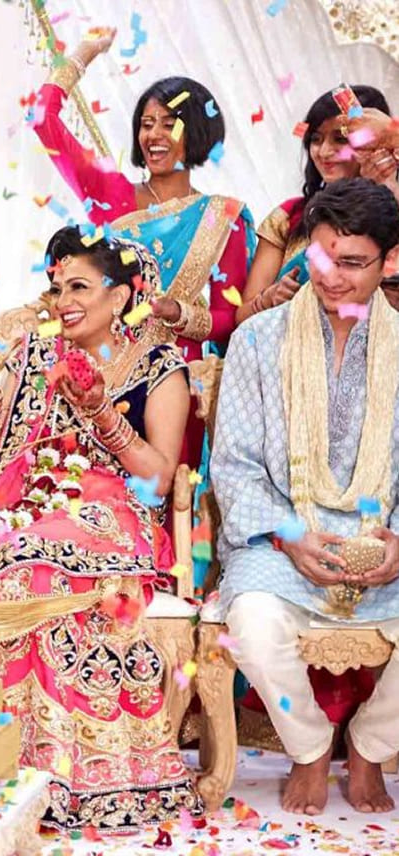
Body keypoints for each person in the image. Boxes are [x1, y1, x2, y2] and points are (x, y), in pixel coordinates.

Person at [0, 226, 200, 831]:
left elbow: (158, 477)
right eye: (58, 288)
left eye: (79, 288)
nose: (63, 301)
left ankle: (62, 765)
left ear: (120, 297)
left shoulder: (159, 366)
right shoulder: (36, 356)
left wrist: (100, 411)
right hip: (28, 502)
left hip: (116, 511)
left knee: (36, 571)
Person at [213, 178, 399, 816]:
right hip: (281, 540)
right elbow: (234, 464)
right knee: (254, 625)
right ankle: (311, 747)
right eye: (321, 257)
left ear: (389, 261)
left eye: (353, 263)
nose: (332, 277)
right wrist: (291, 537)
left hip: (383, 546)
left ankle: (370, 748)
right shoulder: (257, 340)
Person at [33, 28, 255, 467]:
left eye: (169, 124)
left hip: (171, 380)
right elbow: (43, 118)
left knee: (161, 492)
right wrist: (85, 52)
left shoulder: (222, 217)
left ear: (198, 132)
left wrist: (179, 313)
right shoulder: (111, 193)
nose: (154, 135)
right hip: (96, 369)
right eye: (146, 124)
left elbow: (229, 319)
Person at [238, 86, 394, 323]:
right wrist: (269, 298)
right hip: (286, 342)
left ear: (375, 143)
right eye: (316, 139)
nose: (324, 152)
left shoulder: (393, 217)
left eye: (340, 139)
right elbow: (241, 316)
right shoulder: (289, 216)